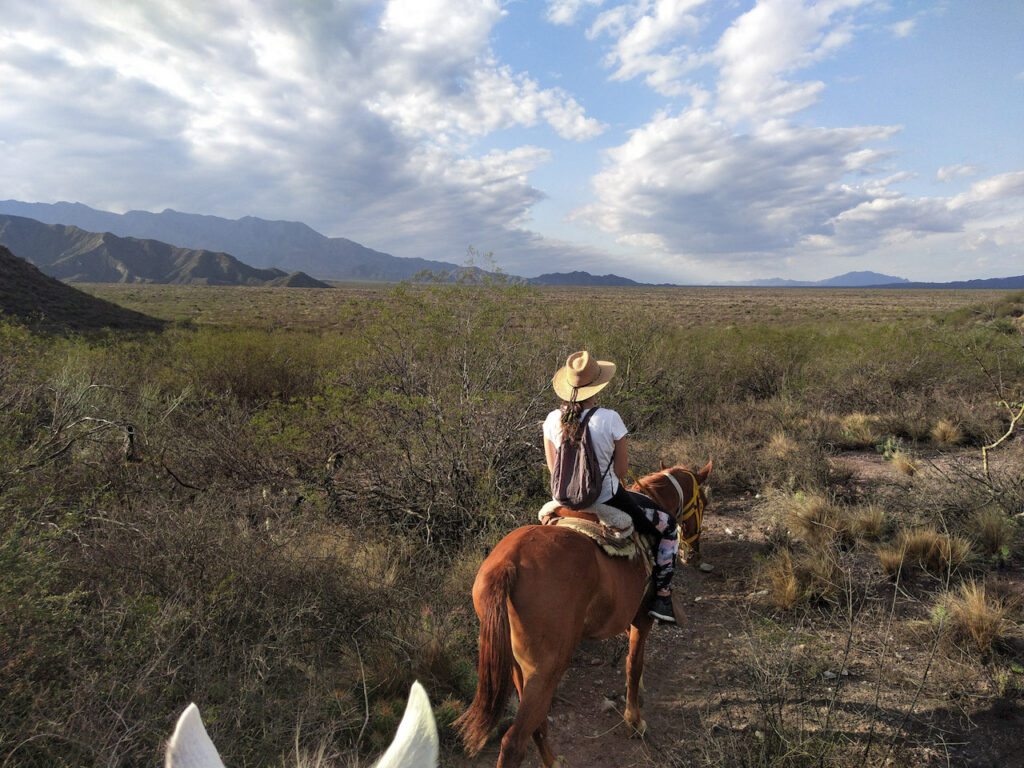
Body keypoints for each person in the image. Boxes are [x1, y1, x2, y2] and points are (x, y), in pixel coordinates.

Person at [543, 351, 679, 623]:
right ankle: (662, 597)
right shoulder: (610, 418)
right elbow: (620, 471)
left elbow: (552, 467)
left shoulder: (550, 420)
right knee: (669, 528)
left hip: (563, 501)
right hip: (606, 498)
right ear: (598, 386)